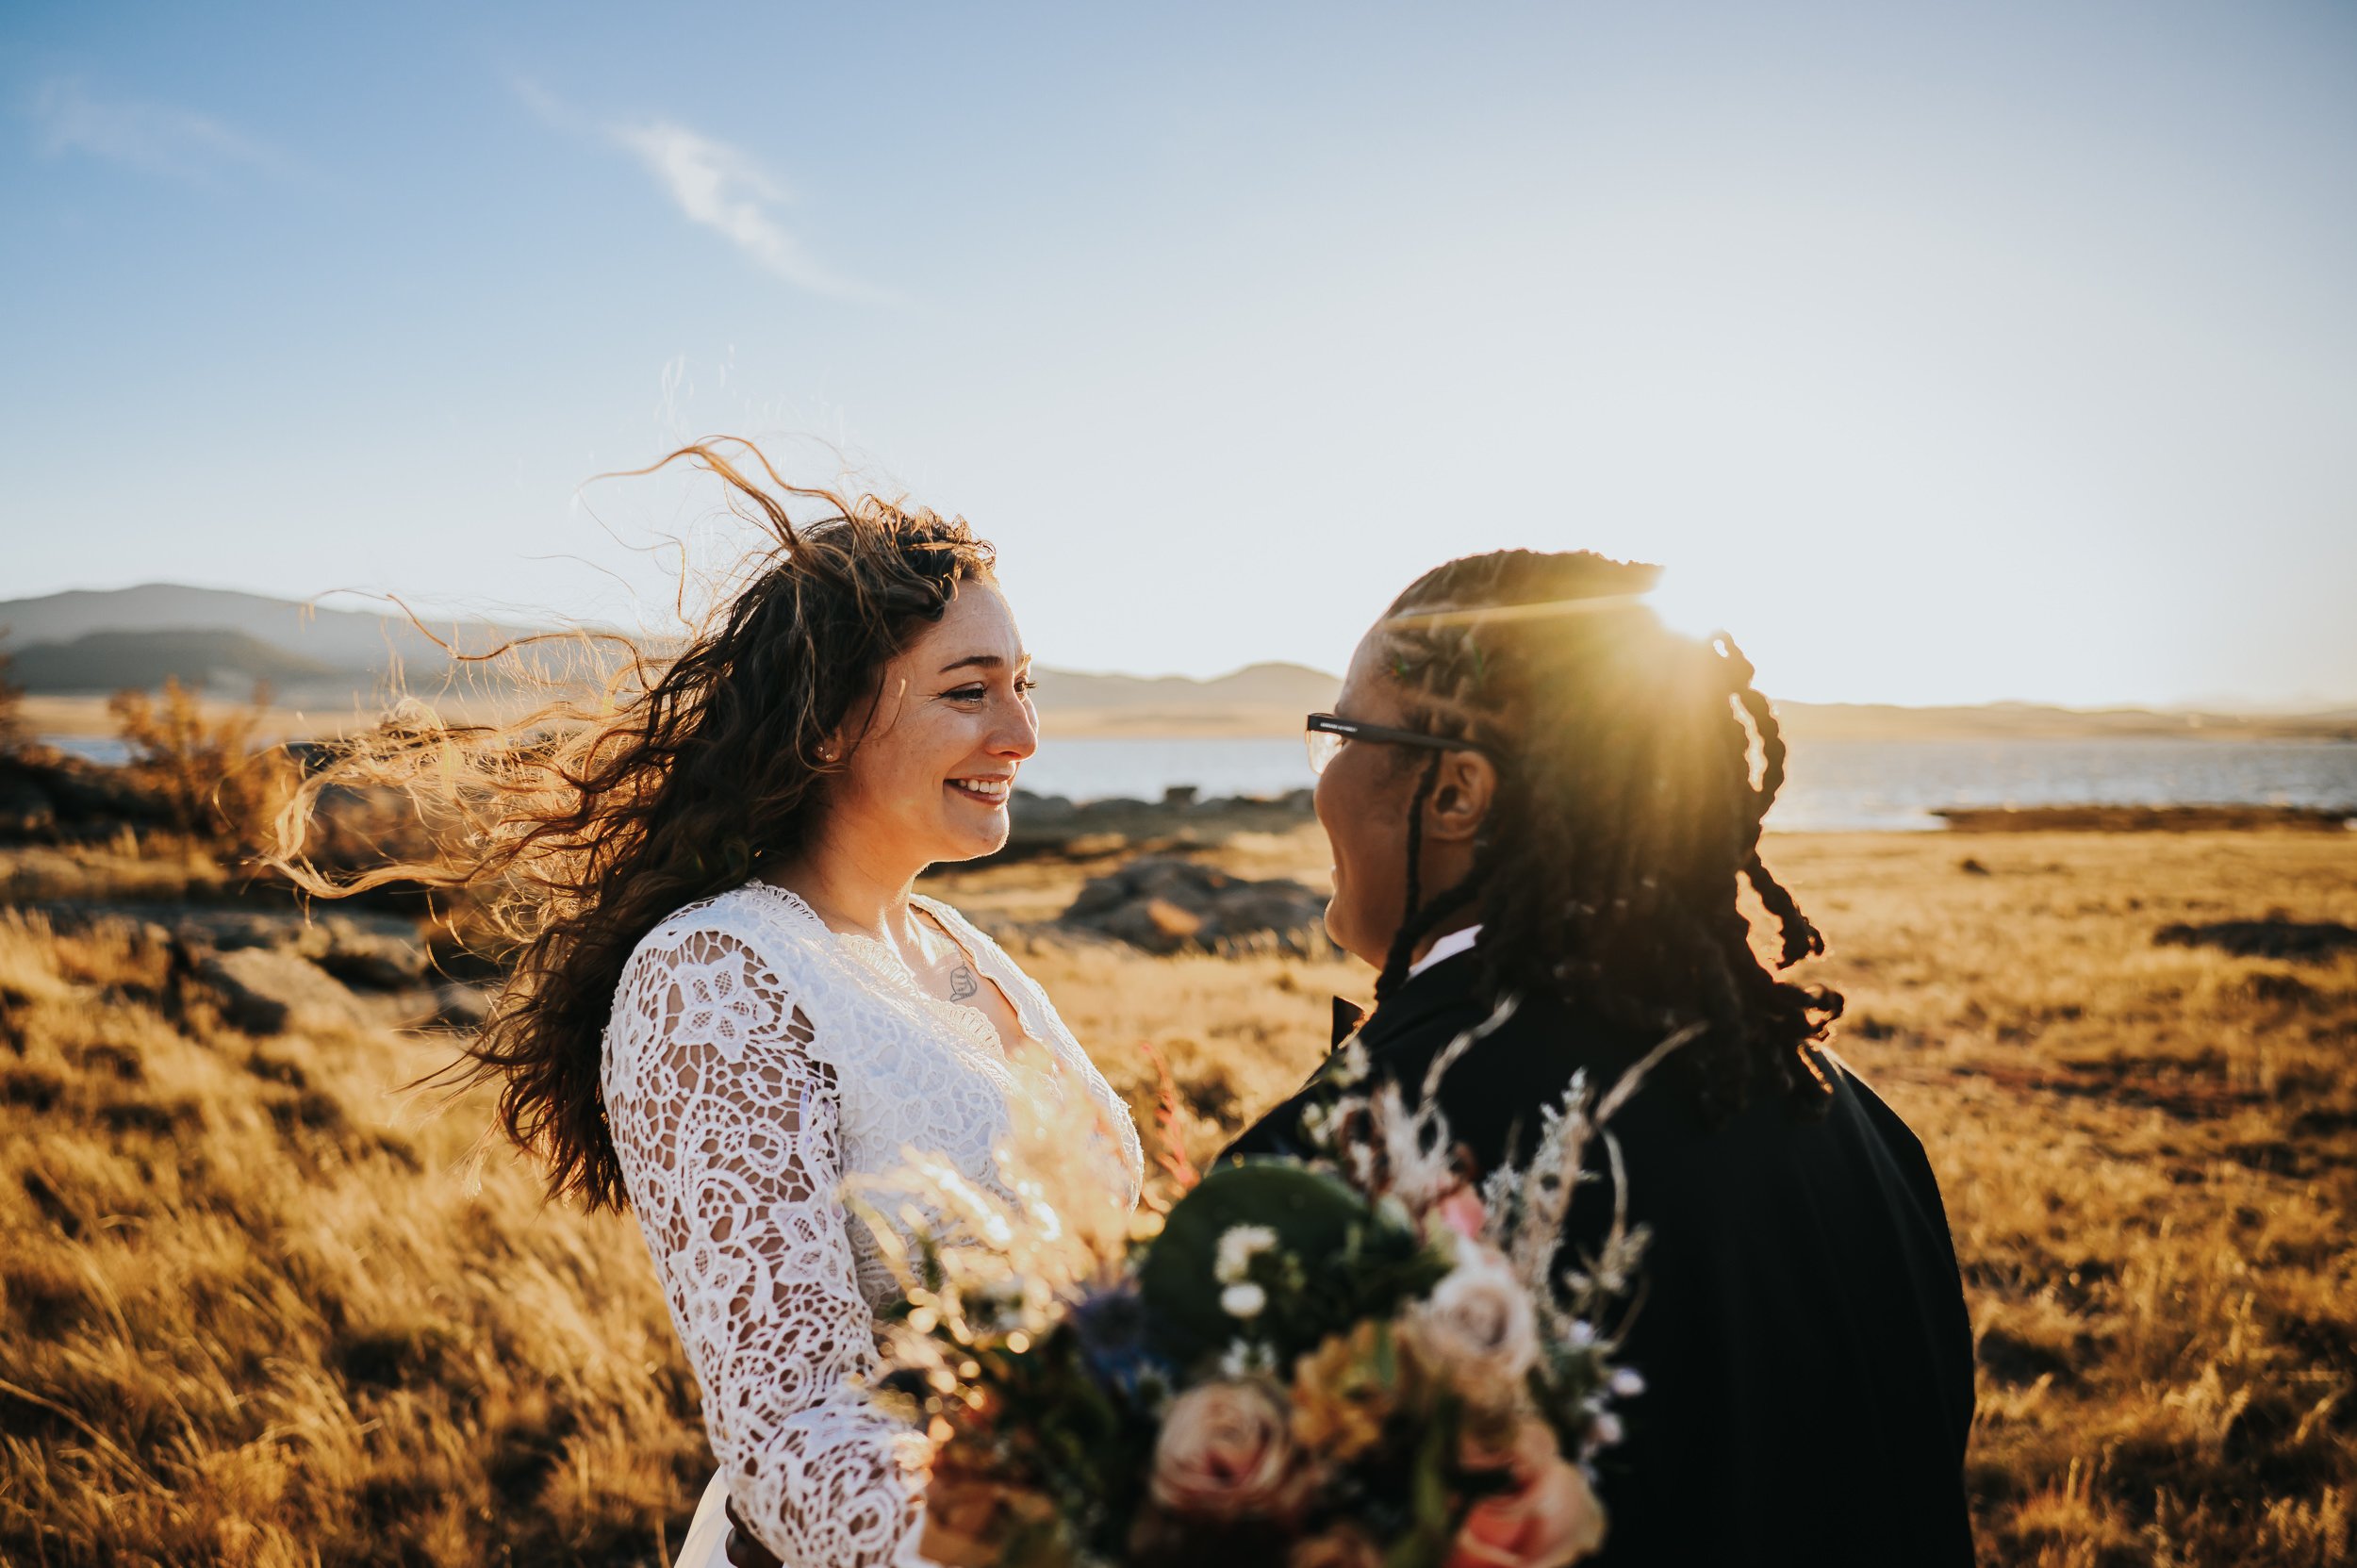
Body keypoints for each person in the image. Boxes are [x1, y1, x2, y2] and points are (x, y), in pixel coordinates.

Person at [279, 442, 1142, 1568]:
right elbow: (792, 1431)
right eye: (969, 690)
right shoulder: (717, 978)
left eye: (1024, 685)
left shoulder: (955, 944)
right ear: (827, 722)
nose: (1022, 734)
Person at [1220, 550, 1975, 1566]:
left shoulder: (1346, 1164)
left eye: (1342, 736)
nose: (1324, 784)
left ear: (1455, 793)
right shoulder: (1860, 1129)